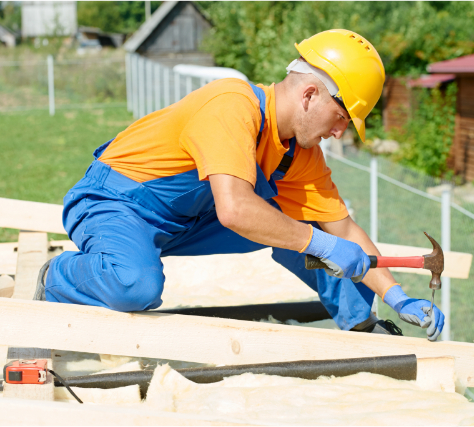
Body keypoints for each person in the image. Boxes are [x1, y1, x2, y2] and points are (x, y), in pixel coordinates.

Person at [40, 29, 444, 340]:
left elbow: (344, 231)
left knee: (315, 230)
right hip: (116, 202)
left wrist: (397, 296)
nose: (340, 133)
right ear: (309, 95)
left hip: (188, 218)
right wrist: (321, 244)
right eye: (341, 118)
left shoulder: (300, 154)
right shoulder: (232, 105)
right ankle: (58, 276)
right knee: (136, 286)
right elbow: (233, 209)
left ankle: (360, 328)